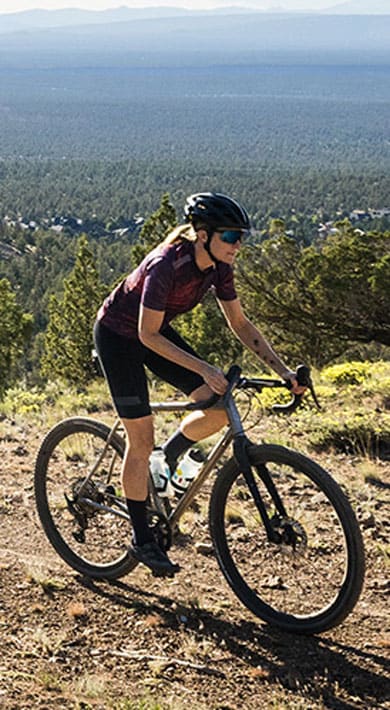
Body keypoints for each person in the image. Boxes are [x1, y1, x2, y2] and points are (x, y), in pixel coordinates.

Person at [93, 192, 306, 577]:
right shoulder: (166, 265)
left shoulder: (218, 266)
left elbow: (240, 324)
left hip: (154, 332)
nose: (238, 245)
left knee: (218, 406)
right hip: (120, 336)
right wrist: (206, 368)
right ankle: (142, 539)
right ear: (203, 234)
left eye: (241, 237)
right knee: (140, 439)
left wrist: (283, 371)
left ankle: (168, 459)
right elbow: (147, 335)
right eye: (230, 236)